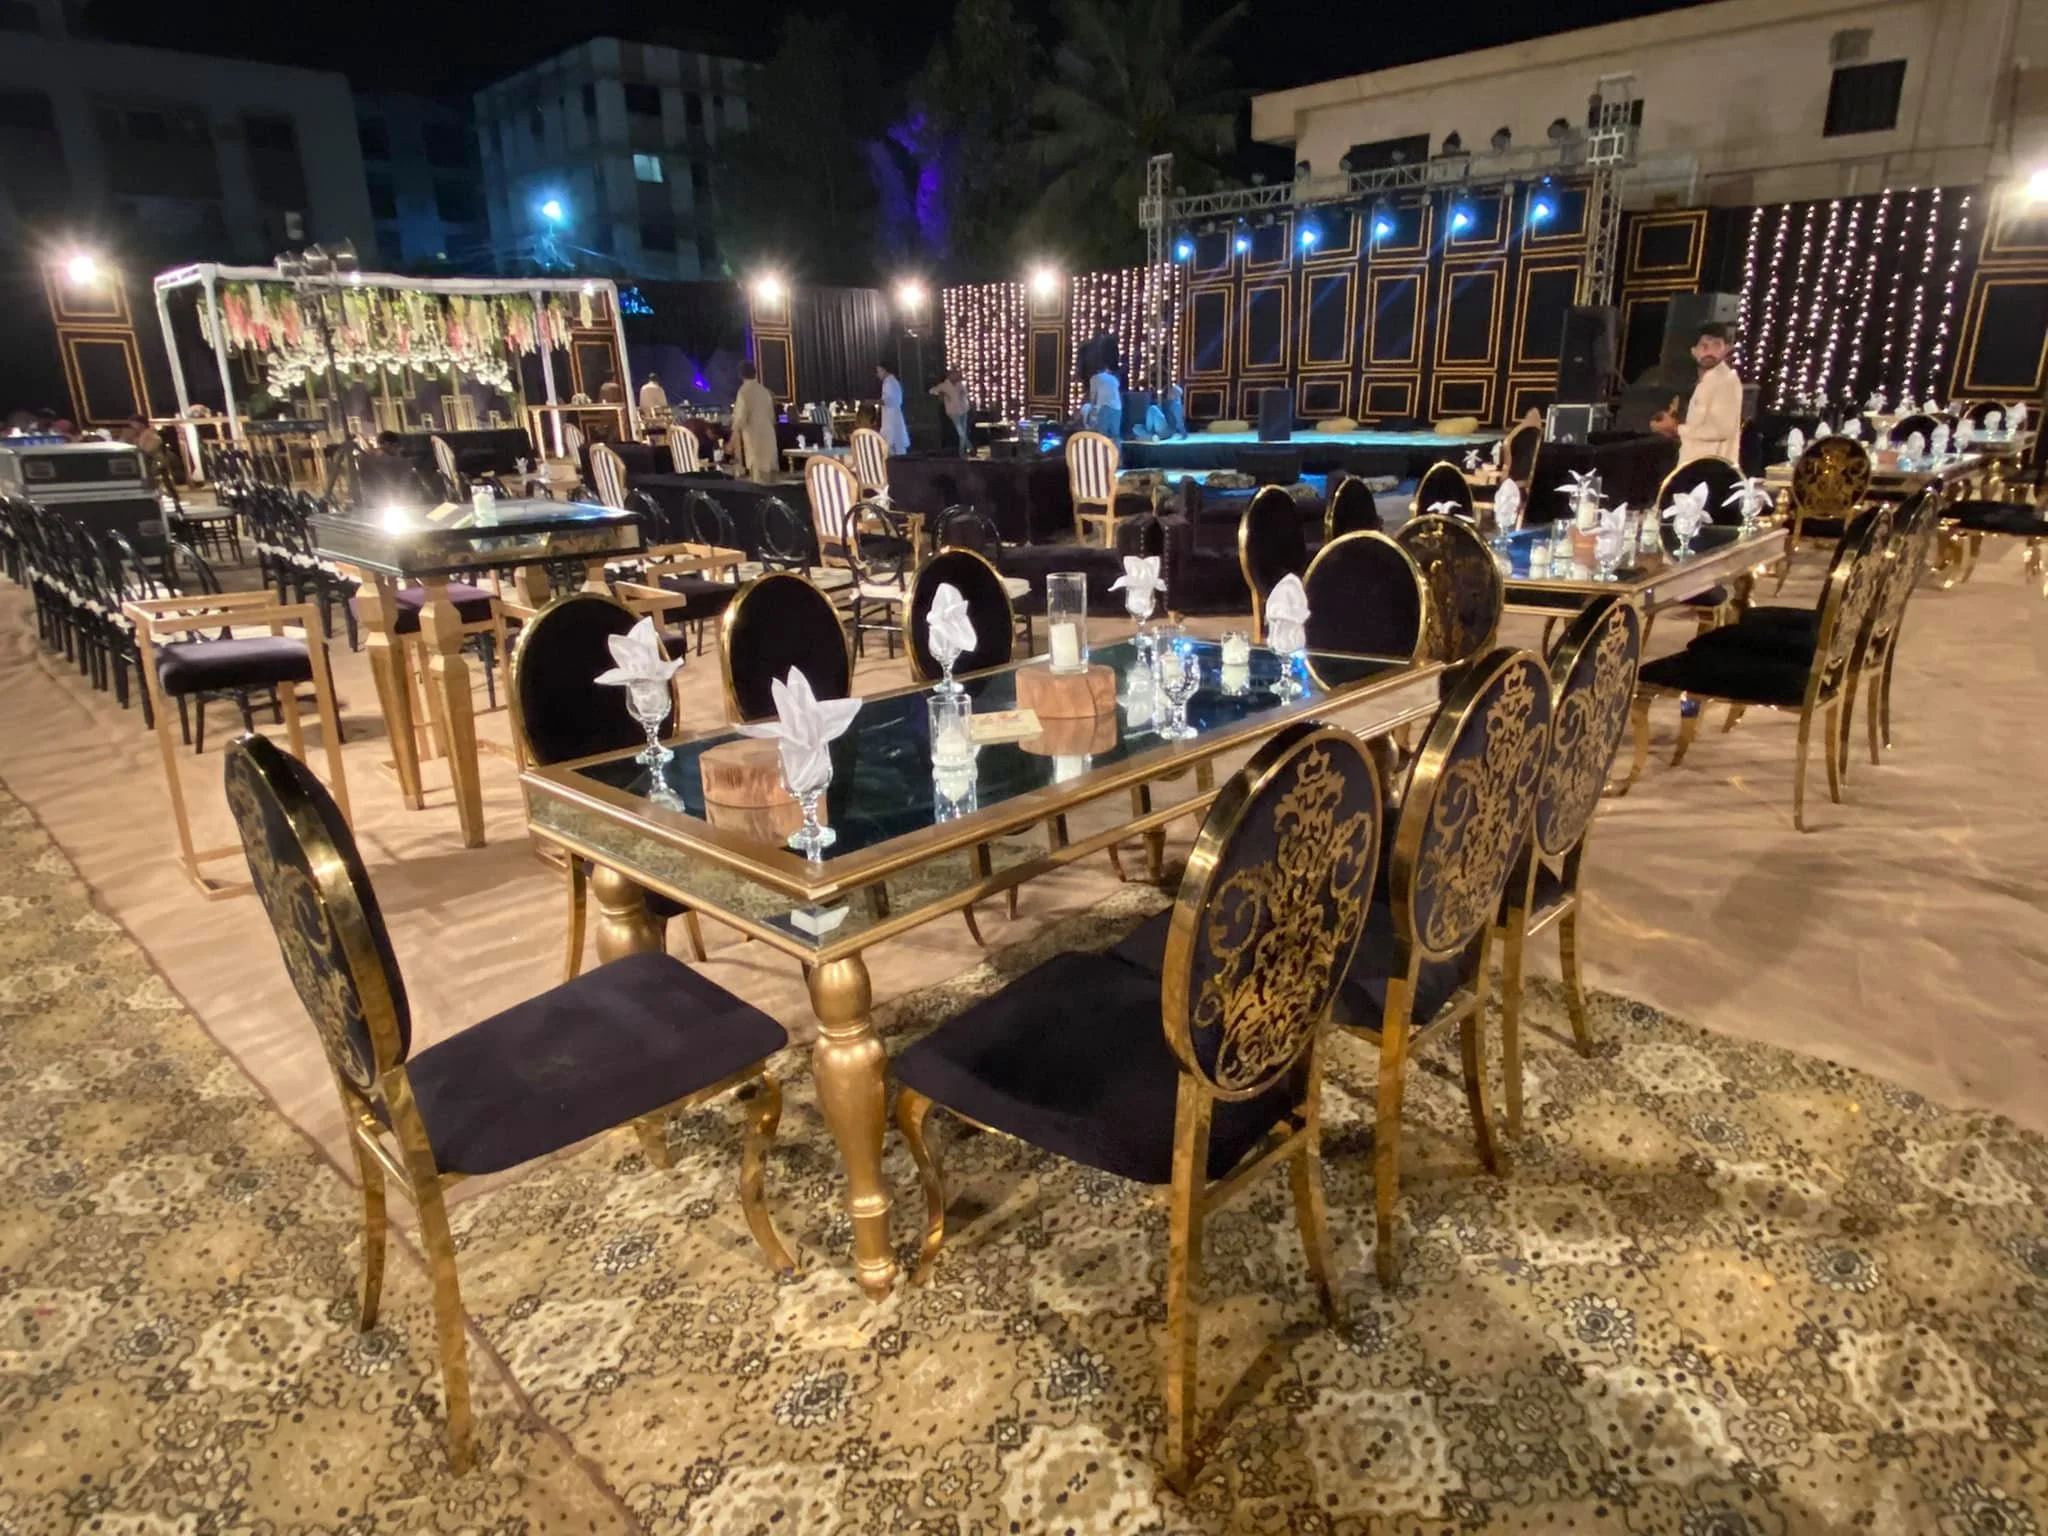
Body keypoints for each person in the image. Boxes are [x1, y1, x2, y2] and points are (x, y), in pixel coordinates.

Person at [1651, 322, 1742, 466]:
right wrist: (1671, 429)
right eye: (1704, 346)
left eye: (1716, 345)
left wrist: (1675, 428)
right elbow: (1698, 431)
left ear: (1727, 349)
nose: (1710, 352)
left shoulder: (1726, 381)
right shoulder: (1704, 381)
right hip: (1695, 467)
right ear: (1694, 351)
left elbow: (1721, 430)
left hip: (1712, 471)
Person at [728, 360, 779, 484]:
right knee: (772, 480)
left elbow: (739, 420)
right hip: (769, 437)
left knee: (759, 479)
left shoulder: (743, 392)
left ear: (740, 375)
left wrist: (731, 441)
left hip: (754, 440)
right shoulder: (765, 391)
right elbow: (772, 417)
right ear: (755, 373)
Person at [929, 368, 971, 455]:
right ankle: (967, 448)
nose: (956, 376)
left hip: (963, 409)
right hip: (953, 411)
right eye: (954, 375)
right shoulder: (944, 385)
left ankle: (963, 450)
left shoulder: (960, 384)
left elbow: (966, 393)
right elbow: (932, 390)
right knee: (961, 432)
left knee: (963, 431)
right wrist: (941, 394)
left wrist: (964, 393)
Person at [876, 360, 909, 455]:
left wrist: (872, 402)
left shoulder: (889, 382)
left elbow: (888, 400)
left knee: (893, 443)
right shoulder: (891, 382)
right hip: (890, 416)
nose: (878, 374)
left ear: (884, 370)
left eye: (879, 371)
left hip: (892, 417)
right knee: (894, 443)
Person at [1086, 364, 1122, 441]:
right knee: (1115, 435)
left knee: (1102, 435)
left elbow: (1093, 395)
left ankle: (1103, 452)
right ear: (1106, 369)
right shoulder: (1114, 378)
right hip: (1117, 407)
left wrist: (1093, 409)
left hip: (1104, 406)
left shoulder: (1095, 378)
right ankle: (1116, 452)